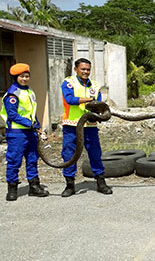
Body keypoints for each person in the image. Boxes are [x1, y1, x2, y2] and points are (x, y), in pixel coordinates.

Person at [60, 58, 112, 197]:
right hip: (72, 125)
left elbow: (100, 105)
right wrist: (90, 100)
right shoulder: (68, 83)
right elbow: (70, 100)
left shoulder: (95, 86)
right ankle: (70, 185)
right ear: (76, 69)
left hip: (90, 126)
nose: (86, 72)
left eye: (88, 69)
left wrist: (101, 113)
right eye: (83, 69)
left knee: (95, 153)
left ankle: (101, 182)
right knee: (69, 154)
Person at [1, 63, 49, 201]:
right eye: (21, 76)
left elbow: (31, 112)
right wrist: (30, 124)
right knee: (14, 161)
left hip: (30, 133)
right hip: (17, 133)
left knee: (32, 159)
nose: (25, 79)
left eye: (27, 76)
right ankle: (12, 189)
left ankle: (34, 187)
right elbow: (12, 115)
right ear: (15, 77)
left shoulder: (29, 91)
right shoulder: (12, 93)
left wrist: (37, 124)